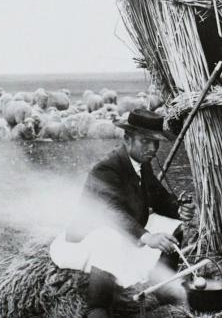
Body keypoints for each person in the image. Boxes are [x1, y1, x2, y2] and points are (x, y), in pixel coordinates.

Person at [64, 108, 195, 318]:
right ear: (128, 138)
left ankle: (162, 285)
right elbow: (111, 213)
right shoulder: (106, 169)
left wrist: (179, 209)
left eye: (156, 142)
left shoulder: (142, 165)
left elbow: (159, 197)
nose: (152, 148)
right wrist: (147, 236)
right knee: (109, 240)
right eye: (145, 141)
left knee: (174, 227)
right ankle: (98, 306)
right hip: (93, 234)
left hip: (128, 228)